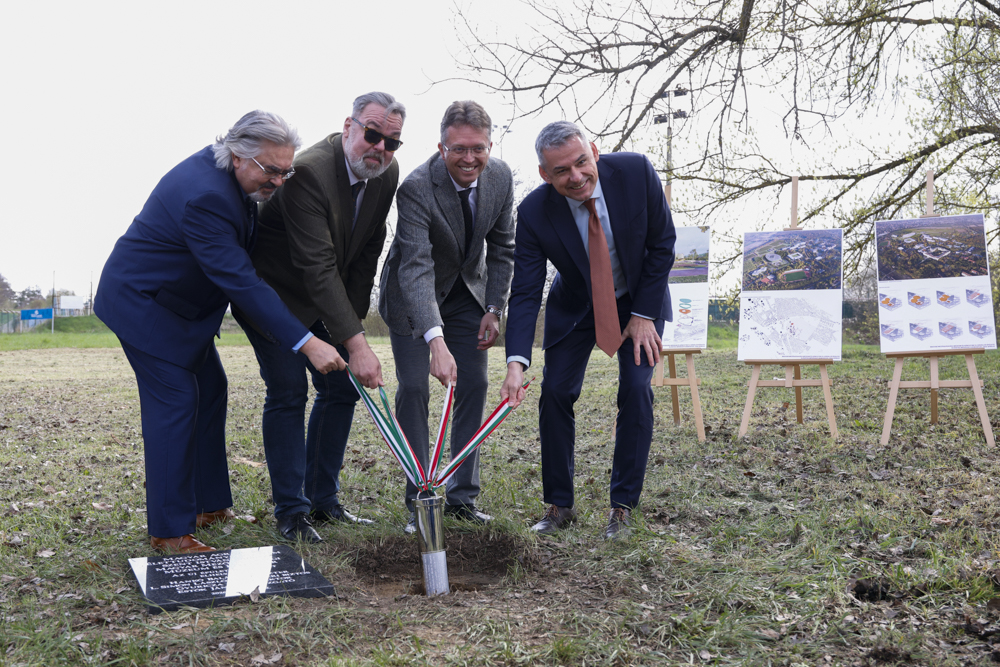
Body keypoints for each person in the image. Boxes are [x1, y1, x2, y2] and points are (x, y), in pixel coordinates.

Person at [94, 111, 346, 554]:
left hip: (181, 307)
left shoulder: (235, 179)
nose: (279, 181)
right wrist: (306, 341)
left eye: (286, 170)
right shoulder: (206, 196)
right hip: (144, 306)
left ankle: (210, 506)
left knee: (211, 388)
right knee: (177, 400)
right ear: (237, 156)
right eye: (271, 170)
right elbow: (242, 282)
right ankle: (170, 532)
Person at [234, 92, 404, 543]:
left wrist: (350, 327)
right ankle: (292, 512)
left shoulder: (385, 175)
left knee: (339, 387)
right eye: (372, 134)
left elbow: (367, 250)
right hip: (274, 295)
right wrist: (358, 343)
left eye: (392, 142)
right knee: (289, 390)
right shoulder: (308, 172)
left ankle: (323, 501)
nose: (380, 149)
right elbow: (317, 264)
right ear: (349, 128)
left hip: (322, 298)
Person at [500, 121, 675, 540]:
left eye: (581, 162)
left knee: (635, 390)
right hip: (577, 305)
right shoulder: (533, 212)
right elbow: (524, 291)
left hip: (639, 303)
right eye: (562, 171)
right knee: (556, 392)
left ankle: (622, 508)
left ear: (593, 151)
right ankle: (559, 505)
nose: (576, 177)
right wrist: (516, 361)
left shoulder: (635, 172)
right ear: (545, 174)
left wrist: (645, 314)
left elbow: (662, 243)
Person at [378, 100, 515, 533]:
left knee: (474, 383)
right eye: (458, 149)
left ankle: (462, 498)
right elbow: (415, 264)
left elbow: (504, 249)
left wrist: (494, 308)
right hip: (412, 296)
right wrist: (435, 341)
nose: (469, 158)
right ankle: (421, 498)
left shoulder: (501, 178)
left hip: (467, 296)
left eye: (478, 148)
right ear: (442, 147)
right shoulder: (417, 188)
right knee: (416, 387)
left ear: (489, 145)